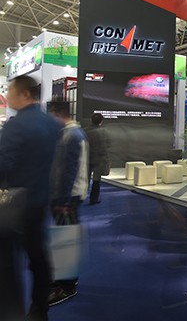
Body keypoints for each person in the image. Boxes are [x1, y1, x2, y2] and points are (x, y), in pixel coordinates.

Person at [0, 75, 61, 321]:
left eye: (10, 91)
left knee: (6, 263)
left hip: (13, 205)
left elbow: (2, 165)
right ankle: (39, 310)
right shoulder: (53, 124)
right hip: (41, 201)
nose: (7, 96)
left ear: (25, 94)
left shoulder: (16, 126)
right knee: (38, 258)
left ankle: (11, 313)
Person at [47, 98, 89, 306]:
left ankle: (67, 286)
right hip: (66, 196)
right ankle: (62, 279)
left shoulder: (72, 135)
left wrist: (62, 200)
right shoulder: (69, 133)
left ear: (57, 113)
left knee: (66, 240)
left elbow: (68, 172)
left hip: (68, 197)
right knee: (63, 238)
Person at [84, 113, 110, 204]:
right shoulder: (104, 132)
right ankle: (94, 198)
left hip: (87, 158)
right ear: (101, 121)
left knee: (84, 179)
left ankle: (80, 196)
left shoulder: (84, 131)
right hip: (99, 159)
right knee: (96, 180)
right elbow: (107, 145)